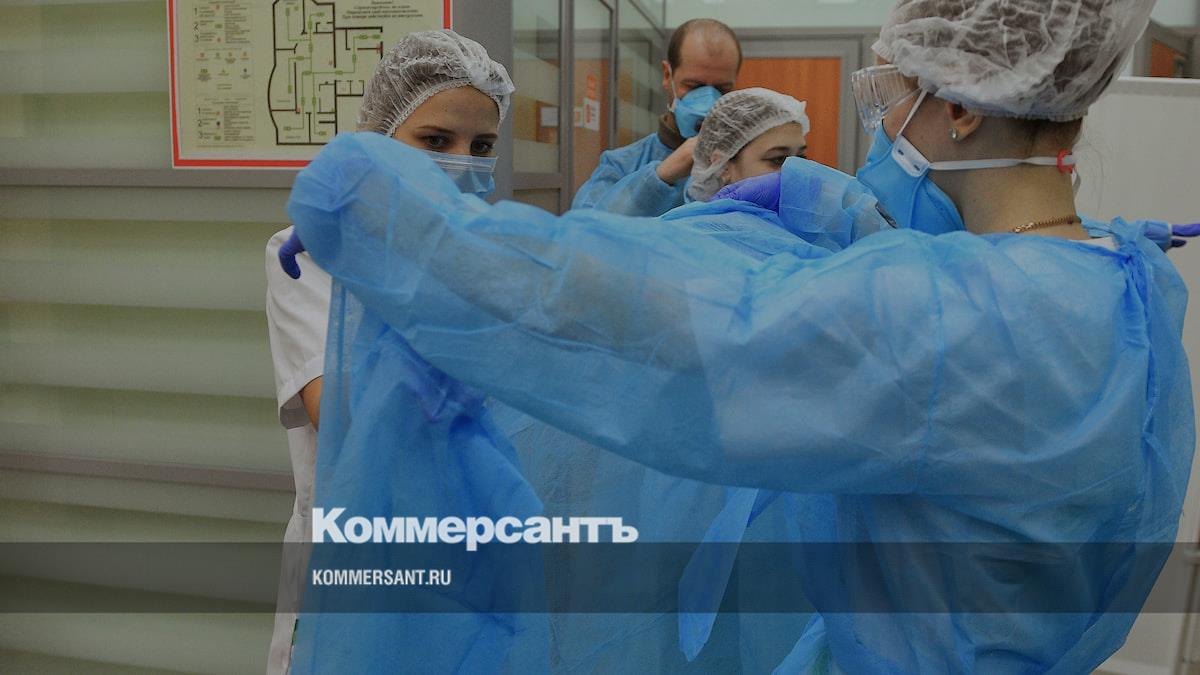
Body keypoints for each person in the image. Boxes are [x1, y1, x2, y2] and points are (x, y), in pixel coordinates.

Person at [281, 0, 1197, 671]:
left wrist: (385, 207)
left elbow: (653, 321)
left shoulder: (951, 316)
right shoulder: (1129, 278)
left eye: (896, 93)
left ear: (960, 108)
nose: (883, 125)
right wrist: (832, 209)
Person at [262, 29, 514, 675]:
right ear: (378, 136)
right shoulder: (311, 253)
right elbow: (344, 419)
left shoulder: (490, 253)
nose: (460, 163)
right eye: (435, 141)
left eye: (481, 146)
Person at [571, 18, 741, 216]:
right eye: (694, 86)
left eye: (722, 89)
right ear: (667, 75)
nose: (709, 99)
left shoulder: (747, 161)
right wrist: (660, 177)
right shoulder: (621, 165)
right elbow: (583, 226)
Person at [686, 87, 809, 203]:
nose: (795, 172)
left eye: (800, 158)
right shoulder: (699, 219)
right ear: (723, 166)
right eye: (778, 159)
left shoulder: (804, 215)